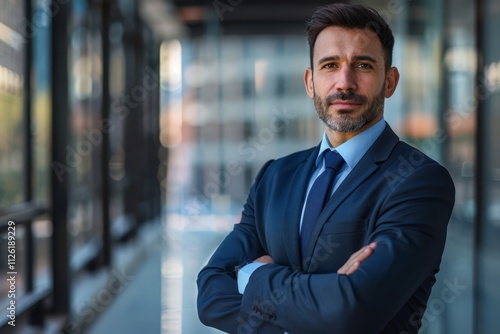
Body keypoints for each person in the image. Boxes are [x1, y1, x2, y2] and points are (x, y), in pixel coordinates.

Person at [197, 3, 455, 334]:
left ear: (389, 81)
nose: (344, 82)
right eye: (330, 65)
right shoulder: (274, 177)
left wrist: (252, 276)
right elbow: (210, 294)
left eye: (363, 65)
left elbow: (351, 311)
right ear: (310, 81)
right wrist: (322, 299)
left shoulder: (419, 181)